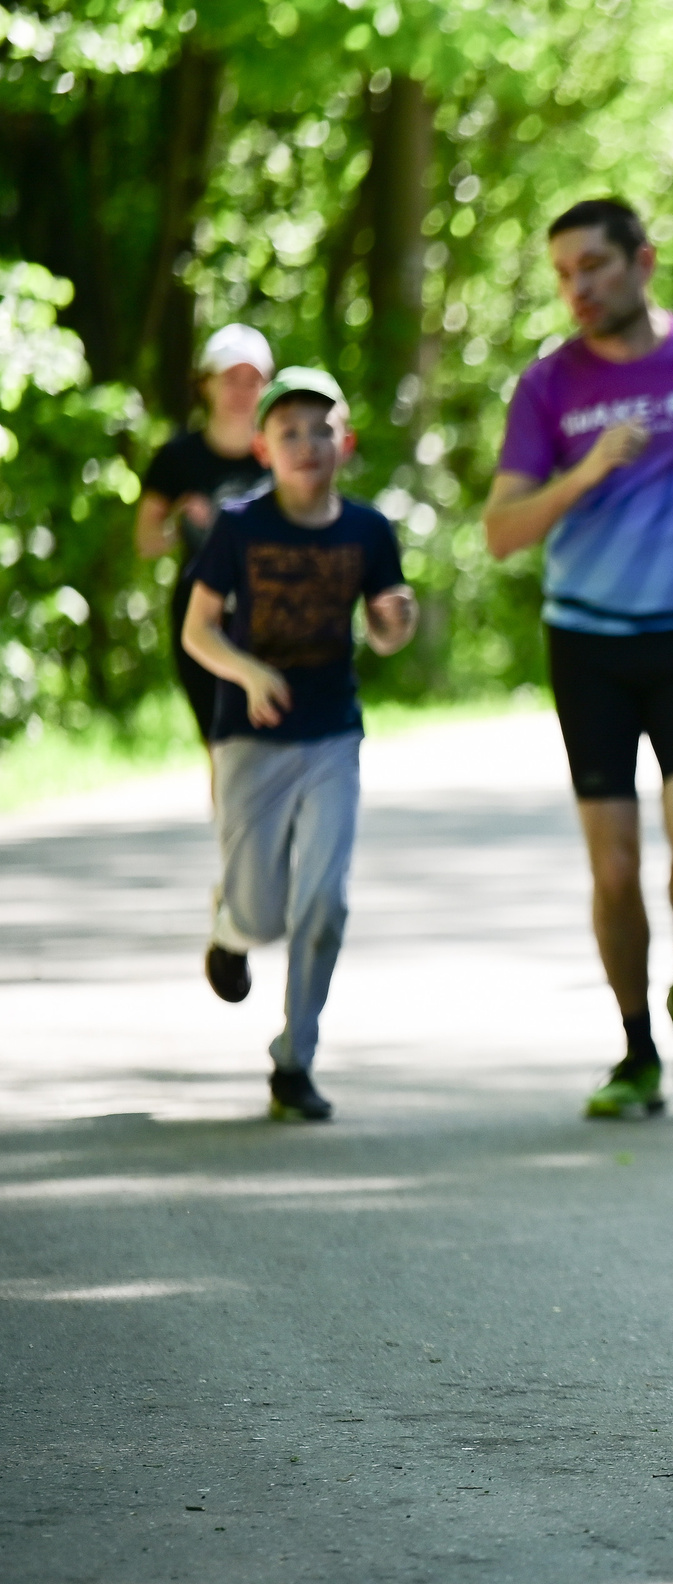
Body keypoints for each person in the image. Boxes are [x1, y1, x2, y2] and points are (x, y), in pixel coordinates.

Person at [483, 197, 673, 1120]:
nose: (576, 288)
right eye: (562, 274)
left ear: (642, 262)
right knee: (615, 869)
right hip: (588, 644)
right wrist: (586, 471)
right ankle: (634, 1050)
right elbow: (502, 531)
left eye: (593, 266)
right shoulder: (548, 384)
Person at [181, 367, 416, 1120]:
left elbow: (384, 630)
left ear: (345, 441)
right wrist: (249, 672)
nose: (306, 444)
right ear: (263, 448)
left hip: (332, 734)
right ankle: (231, 928)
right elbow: (198, 631)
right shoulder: (239, 527)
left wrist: (395, 623)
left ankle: (295, 1060)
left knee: (324, 903)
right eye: (289, 432)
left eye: (321, 430)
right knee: (261, 915)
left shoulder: (368, 530)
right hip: (250, 738)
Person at [137, 324, 277, 748]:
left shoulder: (285, 452)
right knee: (220, 742)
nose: (242, 391)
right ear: (205, 384)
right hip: (203, 617)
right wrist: (180, 521)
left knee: (275, 739)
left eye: (253, 379)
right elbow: (146, 541)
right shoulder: (177, 457)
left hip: (273, 611)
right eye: (230, 378)